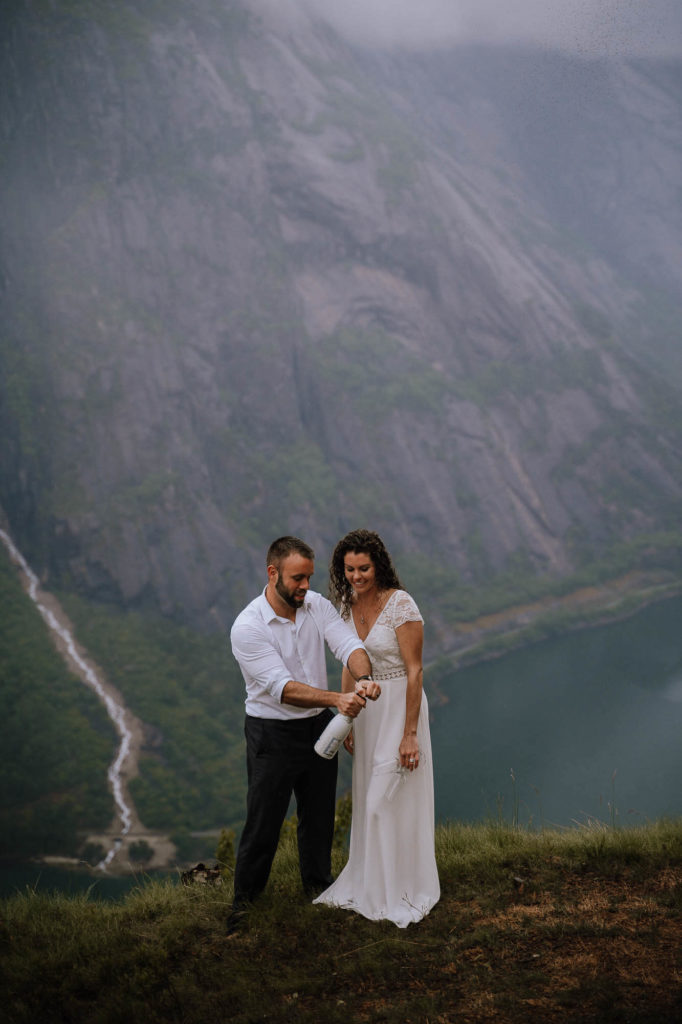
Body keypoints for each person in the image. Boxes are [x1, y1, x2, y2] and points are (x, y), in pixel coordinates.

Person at [228, 536, 379, 930]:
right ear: (272, 573)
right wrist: (339, 699)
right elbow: (284, 688)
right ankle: (243, 910)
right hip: (271, 734)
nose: (305, 586)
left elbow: (349, 645)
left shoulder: (317, 607)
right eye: (298, 578)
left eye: (309, 577)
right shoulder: (248, 626)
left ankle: (319, 890)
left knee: (319, 817)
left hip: (316, 726)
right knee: (264, 823)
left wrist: (362, 677)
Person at [314, 529, 440, 927]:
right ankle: (375, 885)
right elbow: (349, 662)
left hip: (400, 708)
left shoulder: (400, 604)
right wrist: (345, 717)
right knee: (373, 797)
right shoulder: (346, 605)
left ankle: (402, 891)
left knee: (383, 799)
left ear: (378, 565)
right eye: (349, 569)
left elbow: (416, 670)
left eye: (363, 568)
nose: (356, 576)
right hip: (367, 714)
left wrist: (409, 733)